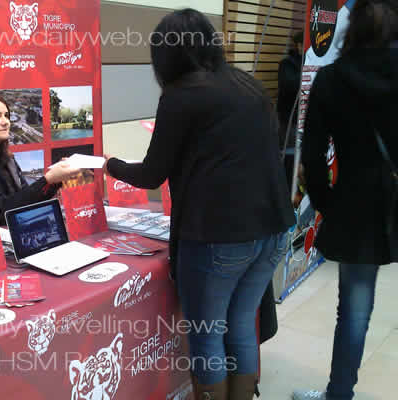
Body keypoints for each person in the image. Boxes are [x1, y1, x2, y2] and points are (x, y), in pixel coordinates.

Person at [104, 9, 295, 400]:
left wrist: (109, 165)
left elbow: (153, 174)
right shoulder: (248, 86)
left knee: (207, 333)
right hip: (273, 228)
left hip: (219, 237)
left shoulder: (181, 97)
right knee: (241, 321)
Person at [293, 1, 398, 399]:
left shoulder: (332, 79)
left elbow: (314, 157)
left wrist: (326, 206)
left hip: (356, 206)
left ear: (350, 27)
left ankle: (339, 393)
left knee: (354, 309)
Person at [0, 92, 80, 224]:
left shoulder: (6, 156)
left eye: (6, 116)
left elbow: (25, 199)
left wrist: (55, 180)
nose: (6, 122)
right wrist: (48, 179)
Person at [278, 31, 304, 187]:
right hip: (290, 119)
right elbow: (289, 86)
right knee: (290, 155)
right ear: (299, 45)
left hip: (305, 118)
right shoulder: (288, 64)